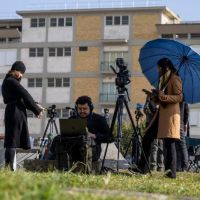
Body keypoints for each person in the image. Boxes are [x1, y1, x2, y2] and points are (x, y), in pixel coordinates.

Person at [138, 58, 183, 179]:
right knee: (147, 137)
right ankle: (142, 167)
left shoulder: (175, 78)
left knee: (170, 143)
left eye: (159, 68)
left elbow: (179, 97)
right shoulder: (163, 79)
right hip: (160, 115)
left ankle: (171, 173)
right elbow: (160, 99)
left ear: (165, 67)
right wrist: (153, 96)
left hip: (170, 116)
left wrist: (163, 96)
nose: (157, 70)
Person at [47, 95, 110, 172]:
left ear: (91, 108)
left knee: (84, 142)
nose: (82, 111)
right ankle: (62, 170)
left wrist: (94, 135)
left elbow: (109, 138)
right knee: (59, 140)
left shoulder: (99, 119)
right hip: (73, 149)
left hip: (92, 150)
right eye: (80, 109)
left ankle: (87, 172)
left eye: (85, 109)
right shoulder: (72, 119)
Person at [1, 61, 44, 171]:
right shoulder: (12, 81)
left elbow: (22, 99)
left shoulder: (8, 81)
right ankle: (10, 168)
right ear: (16, 70)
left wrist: (35, 106)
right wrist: (37, 110)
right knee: (12, 142)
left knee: (11, 141)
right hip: (15, 112)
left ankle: (8, 167)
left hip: (12, 111)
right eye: (21, 73)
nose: (21, 75)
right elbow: (25, 94)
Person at [143, 90, 164, 172]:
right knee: (159, 147)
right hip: (158, 126)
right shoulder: (160, 104)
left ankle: (153, 166)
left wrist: (148, 100)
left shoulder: (154, 105)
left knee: (155, 147)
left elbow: (146, 111)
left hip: (152, 126)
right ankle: (160, 166)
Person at [176, 101, 189, 172]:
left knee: (181, 146)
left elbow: (186, 113)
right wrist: (185, 124)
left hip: (179, 124)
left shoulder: (182, 103)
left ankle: (184, 166)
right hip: (180, 124)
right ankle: (181, 166)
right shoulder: (184, 103)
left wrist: (185, 124)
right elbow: (186, 113)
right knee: (180, 146)